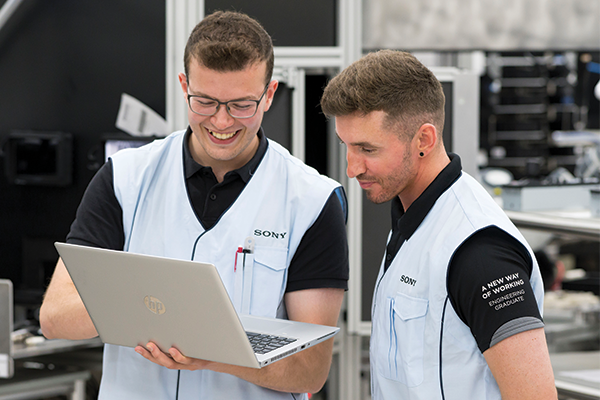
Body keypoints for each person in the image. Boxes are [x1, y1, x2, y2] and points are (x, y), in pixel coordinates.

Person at [40, 11, 348, 400]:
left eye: (241, 105)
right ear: (184, 85)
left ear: (269, 95)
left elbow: (310, 371)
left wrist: (207, 350)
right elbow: (54, 318)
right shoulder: (125, 178)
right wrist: (153, 310)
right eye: (204, 101)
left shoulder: (312, 201)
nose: (221, 121)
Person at [321, 50, 557, 400]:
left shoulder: (478, 251)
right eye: (346, 146)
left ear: (424, 140)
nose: (351, 167)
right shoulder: (413, 218)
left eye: (367, 149)